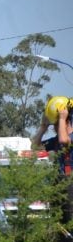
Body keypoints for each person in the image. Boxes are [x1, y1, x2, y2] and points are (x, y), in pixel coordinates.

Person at [32, 96, 73, 224]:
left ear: (67, 121)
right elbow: (35, 147)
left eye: (56, 124)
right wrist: (43, 128)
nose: (54, 128)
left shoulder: (68, 137)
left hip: (71, 183)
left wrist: (61, 118)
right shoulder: (55, 141)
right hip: (61, 183)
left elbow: (64, 141)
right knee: (60, 222)